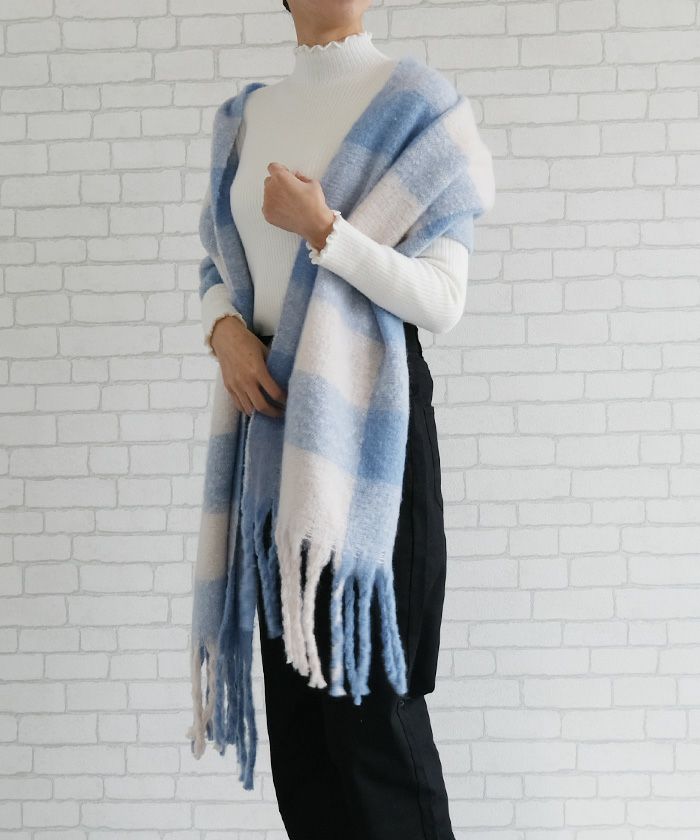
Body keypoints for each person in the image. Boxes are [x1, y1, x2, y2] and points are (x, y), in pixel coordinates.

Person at [199, 2, 481, 839]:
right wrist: (222, 332)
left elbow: (443, 299)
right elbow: (217, 265)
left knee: (372, 730)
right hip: (273, 455)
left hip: (369, 449)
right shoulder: (245, 118)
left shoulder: (420, 107)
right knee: (303, 748)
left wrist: (324, 229)